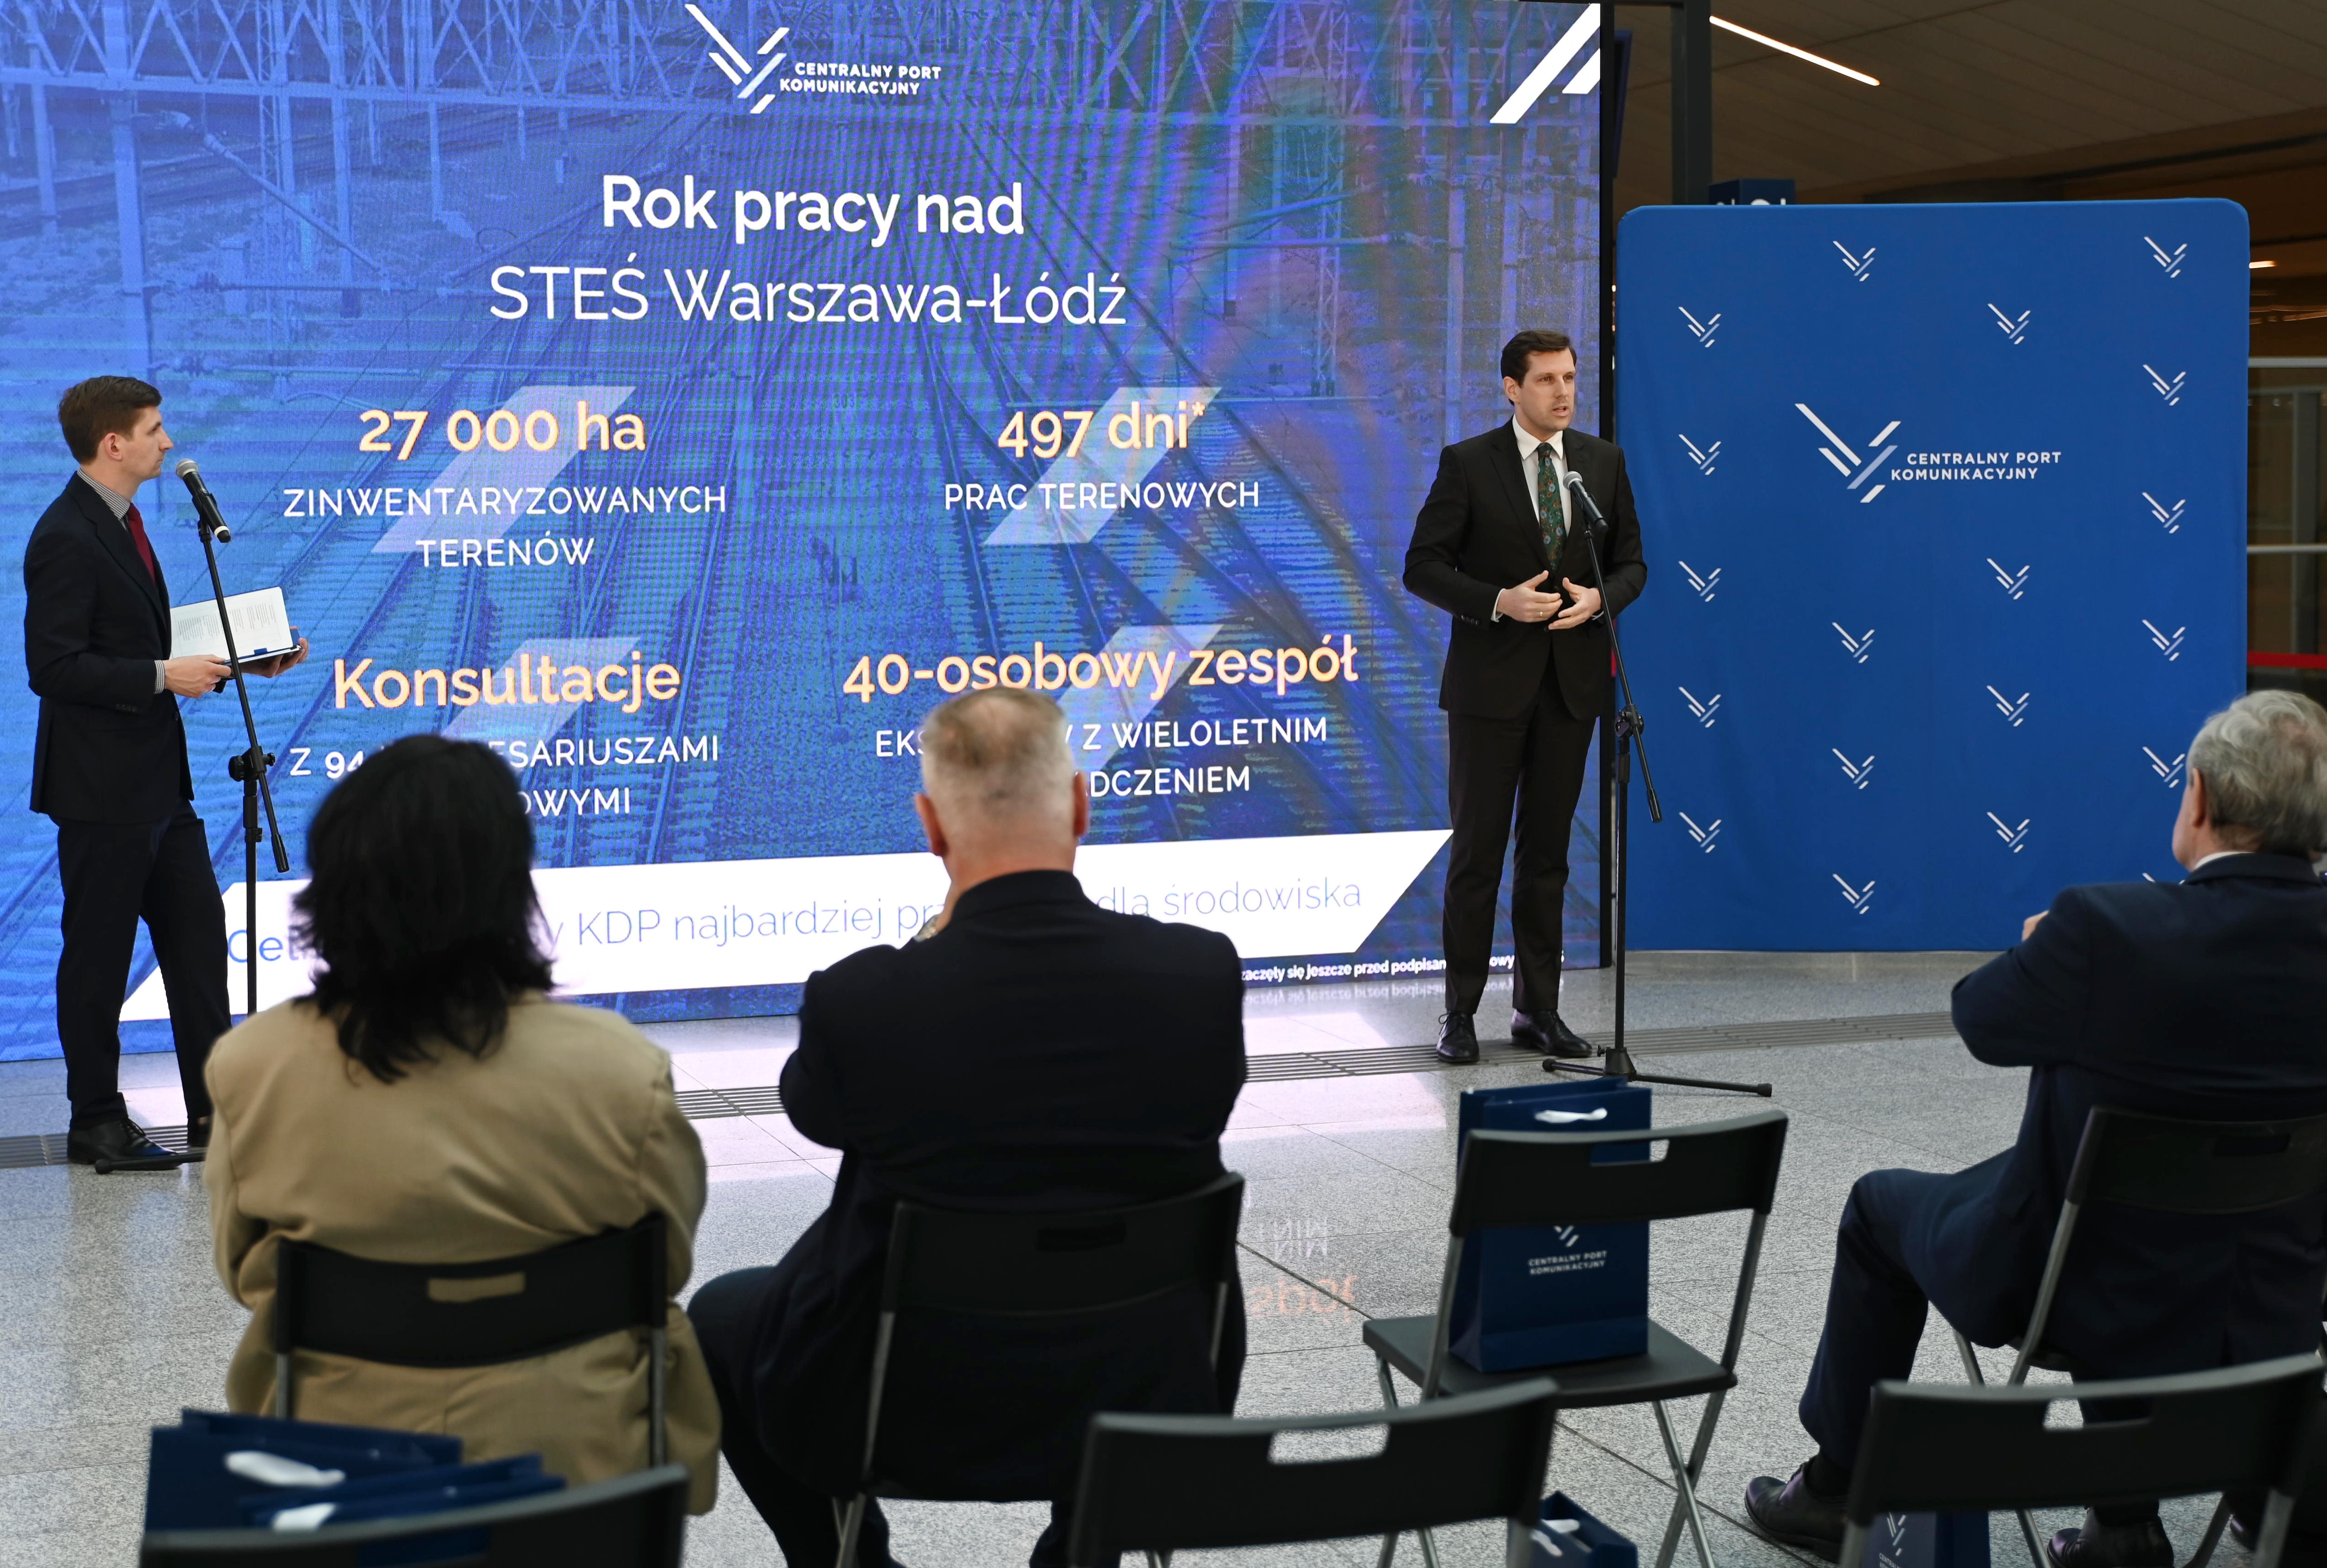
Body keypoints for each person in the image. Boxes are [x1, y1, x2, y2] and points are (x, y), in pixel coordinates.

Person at [1745, 690, 2327, 1567]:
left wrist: (2042, 950)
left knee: (1877, 1210)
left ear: (2201, 797)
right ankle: (2158, 1518)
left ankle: (1834, 1491)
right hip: (2271, 1299)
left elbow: (1981, 1020)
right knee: (2157, 1211)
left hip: (2073, 1282)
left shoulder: (2106, 929)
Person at [689, 686, 1248, 1568]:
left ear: (931, 827)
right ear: (1080, 805)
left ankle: (852, 1562)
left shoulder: (865, 1000)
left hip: (895, 1404)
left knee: (720, 1315)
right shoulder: (1200, 974)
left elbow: (812, 1109)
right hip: (1145, 1387)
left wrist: (925, 947)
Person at [203, 735, 721, 1512]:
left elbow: (244, 1271)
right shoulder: (622, 1068)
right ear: (511, 887)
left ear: (334, 886)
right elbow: (665, 1264)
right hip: (582, 1489)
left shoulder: (253, 1067)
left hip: (337, 1492)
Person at [25, 377, 308, 1168]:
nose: (168, 441)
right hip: (101, 790)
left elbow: (138, 641)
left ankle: (215, 1116)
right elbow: (54, 667)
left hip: (158, 785)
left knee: (197, 945)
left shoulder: (124, 521)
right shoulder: (65, 534)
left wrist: (247, 660)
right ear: (113, 443)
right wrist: (161, 676)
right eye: (154, 430)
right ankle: (96, 1121)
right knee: (99, 959)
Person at [1403, 329, 1647, 1064]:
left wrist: (1599, 601)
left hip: (1571, 689)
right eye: (1546, 380)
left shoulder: (1602, 463)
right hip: (1489, 690)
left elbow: (1631, 565)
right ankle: (1459, 1013)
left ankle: (1537, 1009)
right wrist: (1498, 601)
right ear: (1513, 388)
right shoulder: (1469, 463)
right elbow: (1423, 566)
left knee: (1547, 857)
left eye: (1569, 377)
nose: (1563, 392)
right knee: (1478, 856)